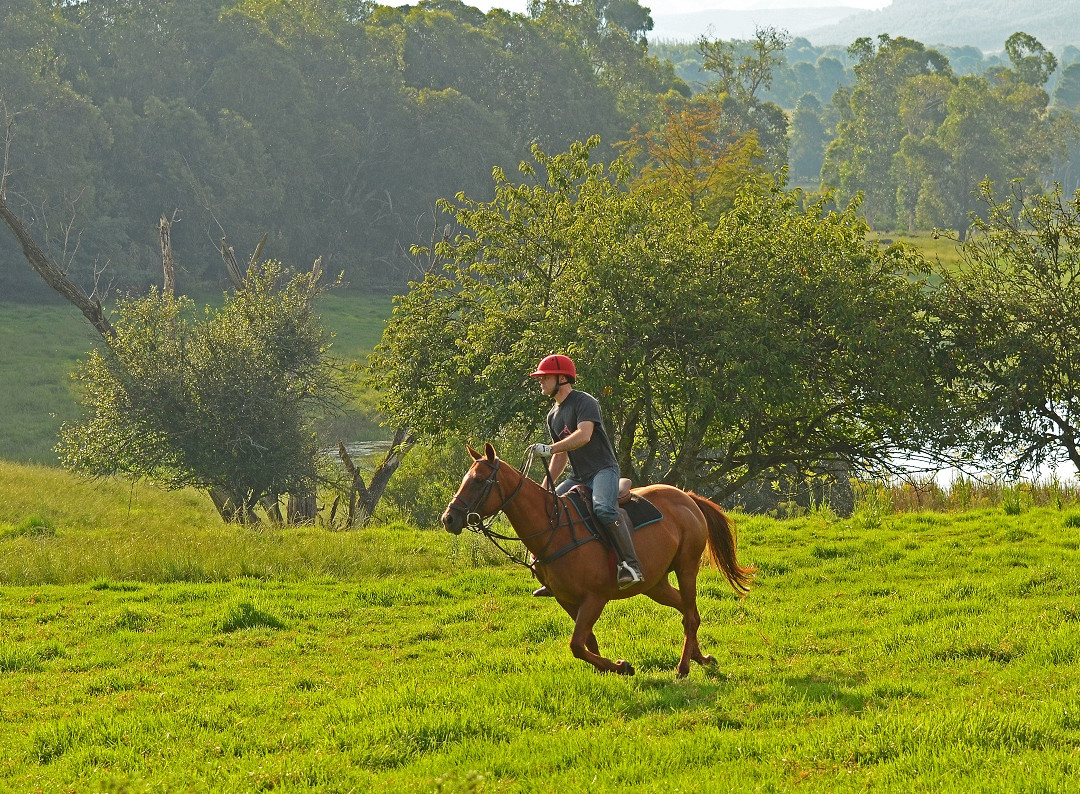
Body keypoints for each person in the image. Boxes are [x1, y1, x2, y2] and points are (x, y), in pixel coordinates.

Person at [527, 354, 644, 594]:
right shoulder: (552, 415)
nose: (540, 382)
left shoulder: (584, 402)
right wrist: (545, 487)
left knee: (603, 509)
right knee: (548, 507)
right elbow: (561, 456)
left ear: (561, 378)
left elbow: (584, 435)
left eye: (544, 377)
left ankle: (631, 566)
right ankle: (554, 576)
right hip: (579, 477)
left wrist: (550, 448)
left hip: (603, 470)